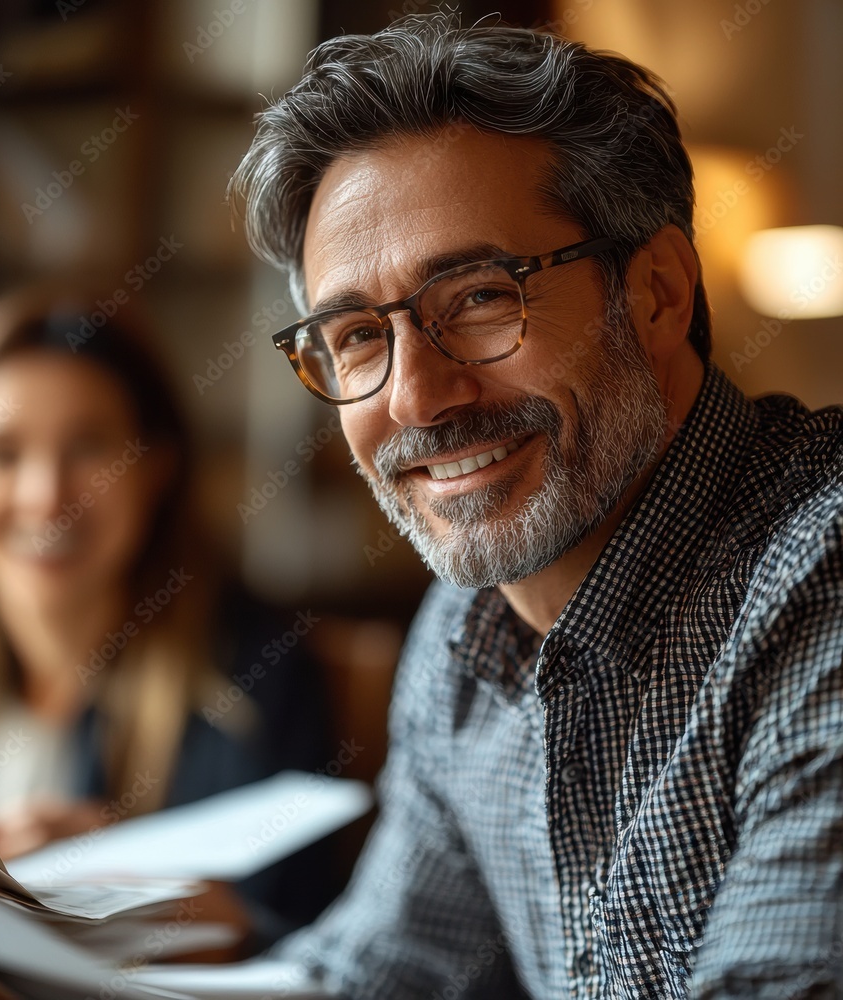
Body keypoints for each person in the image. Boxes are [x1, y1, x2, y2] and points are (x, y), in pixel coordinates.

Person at [228, 13, 843, 999]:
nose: (414, 397)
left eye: (477, 296)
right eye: (353, 335)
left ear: (655, 293)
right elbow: (382, 972)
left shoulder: (819, 580)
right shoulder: (466, 636)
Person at [0, 285, 337, 941]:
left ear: (156, 467)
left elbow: (328, 945)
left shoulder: (256, 683)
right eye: (2, 453)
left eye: (89, 447)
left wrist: (157, 891)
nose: (46, 496)